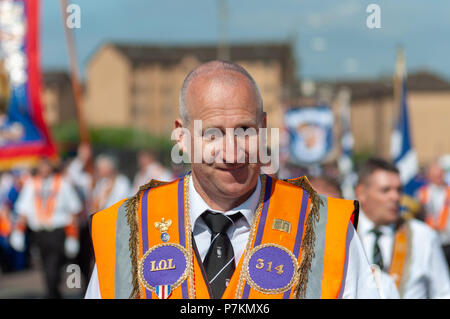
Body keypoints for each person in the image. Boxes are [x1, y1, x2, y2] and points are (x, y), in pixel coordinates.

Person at [85, 61, 380, 299]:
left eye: (244, 130)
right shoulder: (128, 229)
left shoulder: (326, 227)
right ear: (182, 137)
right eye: (212, 134)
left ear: (264, 128)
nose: (231, 151)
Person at [355, 157, 450, 298]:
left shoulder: (423, 236)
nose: (395, 197)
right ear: (361, 193)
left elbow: (443, 292)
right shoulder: (346, 233)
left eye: (399, 190)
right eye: (385, 190)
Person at [10, 158, 82, 298]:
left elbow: (74, 210)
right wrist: (18, 232)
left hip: (57, 231)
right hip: (39, 232)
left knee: (53, 264)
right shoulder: (32, 184)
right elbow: (23, 210)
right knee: (45, 264)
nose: (43, 169)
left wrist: (73, 237)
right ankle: (53, 291)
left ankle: (52, 293)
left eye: (46, 166)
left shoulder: (63, 183)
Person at [65, 143, 95, 293]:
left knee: (90, 259)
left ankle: (90, 287)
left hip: (91, 221)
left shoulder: (89, 175)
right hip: (79, 223)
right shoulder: (75, 174)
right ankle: (80, 288)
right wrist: (81, 158)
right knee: (78, 259)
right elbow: (71, 175)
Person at [416, 159, 450, 267]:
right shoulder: (421, 194)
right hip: (430, 238)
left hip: (447, 239)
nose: (439, 177)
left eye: (440, 175)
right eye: (435, 175)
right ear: (429, 176)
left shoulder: (448, 191)